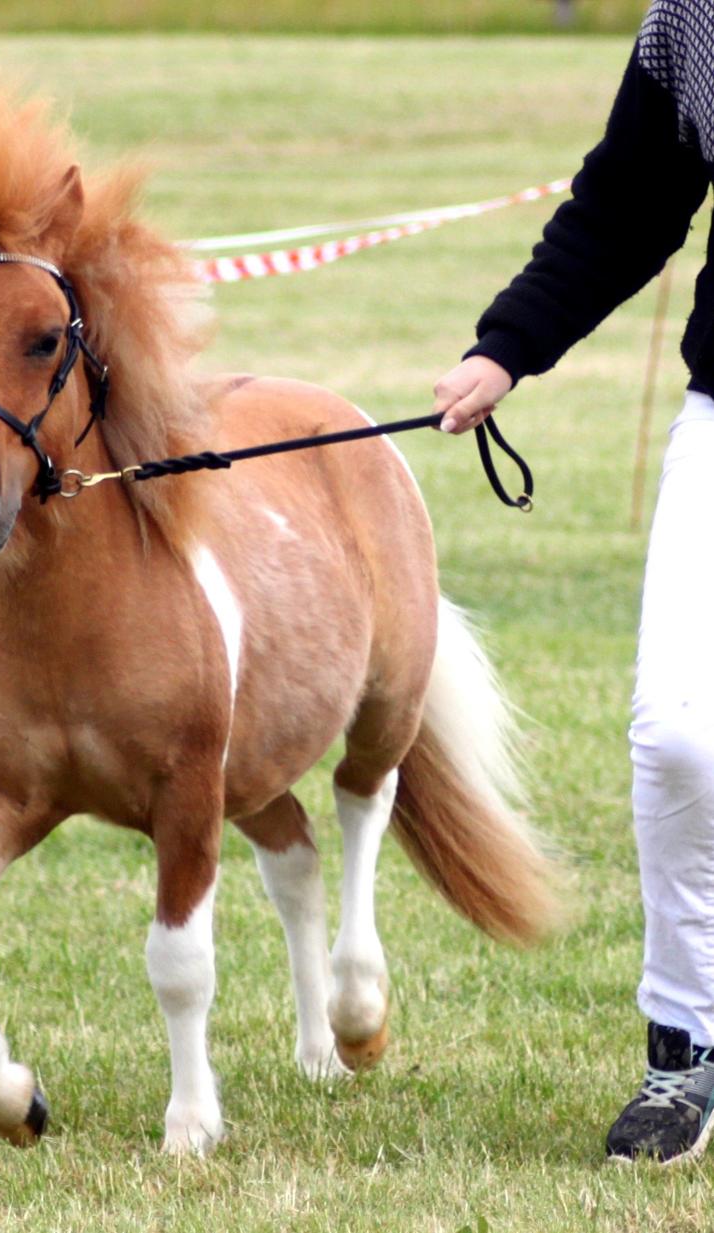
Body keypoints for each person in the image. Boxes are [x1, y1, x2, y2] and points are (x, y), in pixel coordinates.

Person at [433, 0, 714, 1165]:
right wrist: (507, 346)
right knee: (679, 738)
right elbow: (627, 201)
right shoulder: (696, 22)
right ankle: (685, 1046)